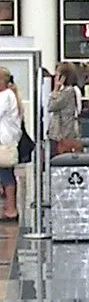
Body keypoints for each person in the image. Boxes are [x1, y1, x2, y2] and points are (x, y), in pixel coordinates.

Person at [0, 67, 22, 221]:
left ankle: (11, 208)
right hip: (7, 140)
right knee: (6, 174)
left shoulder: (5, 96)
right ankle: (10, 207)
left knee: (6, 174)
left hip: (4, 142)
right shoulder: (10, 95)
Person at [47, 62, 80, 156]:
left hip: (62, 134)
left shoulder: (67, 92)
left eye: (57, 75)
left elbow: (51, 106)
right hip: (60, 133)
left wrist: (55, 90)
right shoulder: (68, 91)